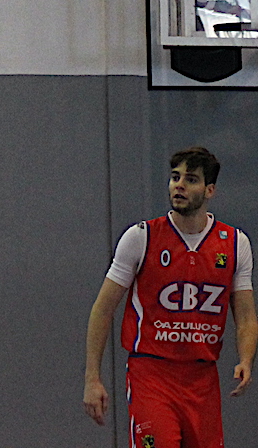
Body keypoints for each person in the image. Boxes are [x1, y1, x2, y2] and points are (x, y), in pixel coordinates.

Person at [83, 146, 257, 448]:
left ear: (210, 190)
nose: (179, 185)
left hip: (202, 378)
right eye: (175, 177)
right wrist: (92, 378)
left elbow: (245, 316)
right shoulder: (141, 237)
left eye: (190, 179)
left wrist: (245, 359)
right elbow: (102, 309)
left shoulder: (235, 243)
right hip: (151, 374)